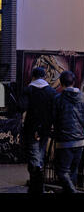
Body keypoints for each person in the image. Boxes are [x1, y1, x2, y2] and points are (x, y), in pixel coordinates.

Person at [52, 70, 84, 193]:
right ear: (74, 82)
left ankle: (72, 191)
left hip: (64, 140)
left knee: (61, 171)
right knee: (73, 170)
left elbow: (53, 118)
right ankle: (71, 190)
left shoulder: (58, 99)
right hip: (80, 141)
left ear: (61, 83)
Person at [17, 66, 57, 194]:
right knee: (39, 154)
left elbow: (21, 106)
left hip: (31, 127)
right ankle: (36, 186)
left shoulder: (28, 90)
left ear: (32, 76)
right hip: (45, 128)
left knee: (34, 157)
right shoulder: (51, 91)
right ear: (45, 76)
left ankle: (37, 186)